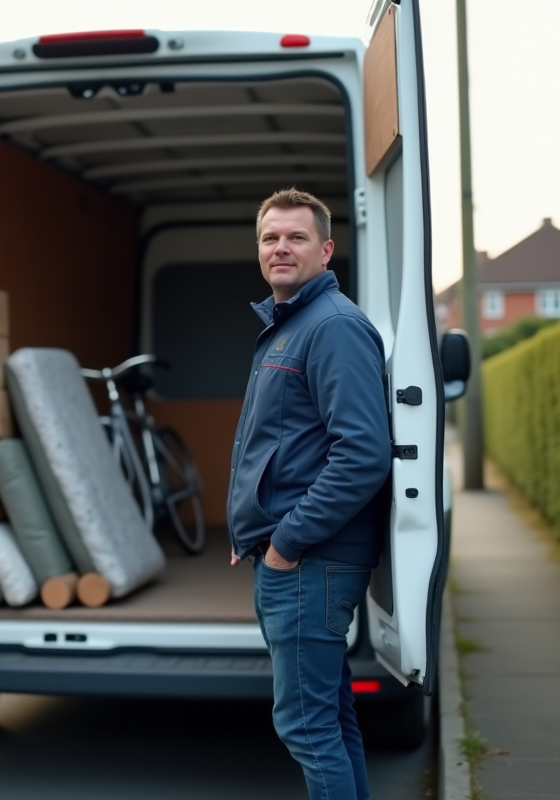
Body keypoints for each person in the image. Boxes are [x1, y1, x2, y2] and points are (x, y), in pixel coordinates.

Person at [228, 188, 392, 800]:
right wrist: (253, 531)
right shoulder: (291, 323)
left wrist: (286, 544)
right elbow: (280, 445)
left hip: (311, 560)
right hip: (298, 558)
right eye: (270, 237)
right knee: (329, 717)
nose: (281, 248)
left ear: (325, 250)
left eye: (296, 237)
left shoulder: (333, 327)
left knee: (305, 725)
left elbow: (363, 455)